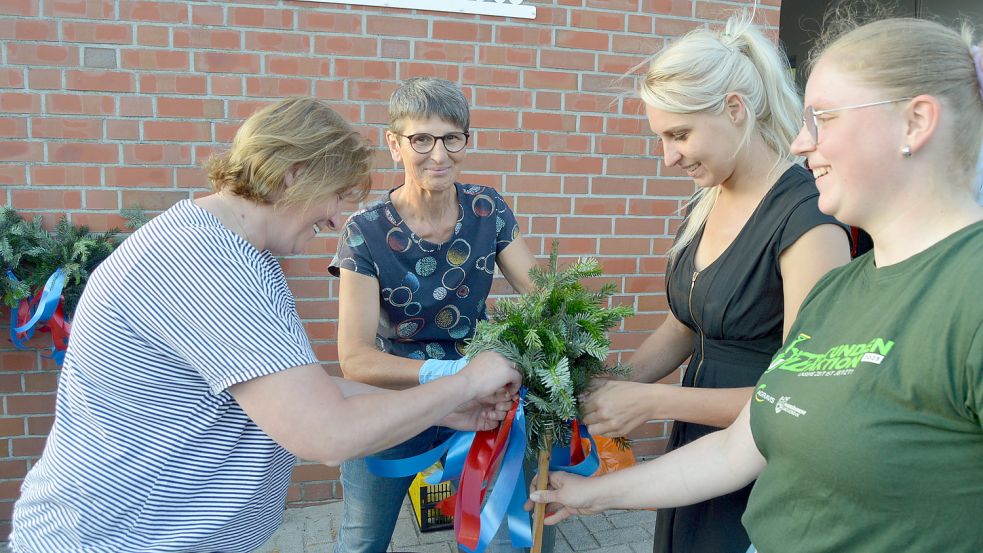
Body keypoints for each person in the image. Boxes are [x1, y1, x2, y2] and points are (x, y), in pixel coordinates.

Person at [532, 14, 983, 553]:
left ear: (915, 123)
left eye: (824, 119)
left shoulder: (964, 291)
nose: (799, 142)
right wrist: (594, 493)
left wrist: (652, 402)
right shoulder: (842, 293)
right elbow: (742, 445)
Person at [9, 97, 520, 553]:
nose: (337, 219)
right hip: (124, 538)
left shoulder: (233, 250)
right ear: (294, 174)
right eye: (337, 195)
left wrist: (450, 408)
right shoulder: (208, 265)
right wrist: (465, 382)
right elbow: (324, 434)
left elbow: (307, 392)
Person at [578, 14, 851, 553]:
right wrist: (608, 386)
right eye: (661, 137)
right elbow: (686, 322)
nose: (668, 156)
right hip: (696, 448)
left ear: (734, 108)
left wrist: (653, 402)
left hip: (760, 462)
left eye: (679, 134)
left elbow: (800, 400)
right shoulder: (706, 201)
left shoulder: (809, 222)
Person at [329, 77, 545, 552]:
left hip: (484, 397)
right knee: (363, 538)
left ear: (467, 140)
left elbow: (543, 298)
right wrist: (449, 373)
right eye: (421, 139)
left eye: (452, 138)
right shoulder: (364, 232)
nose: (439, 155)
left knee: (532, 516)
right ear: (394, 144)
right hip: (395, 396)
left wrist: (554, 352)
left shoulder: (488, 209)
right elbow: (356, 358)